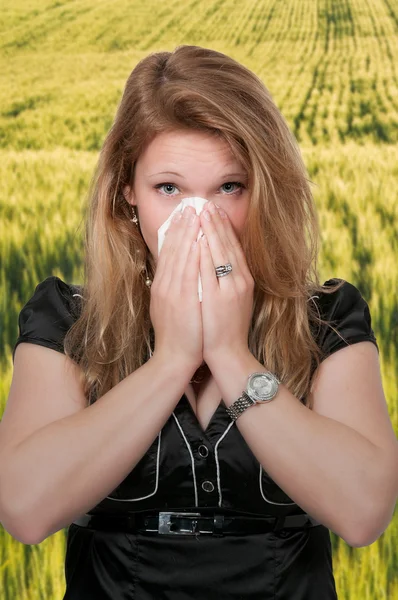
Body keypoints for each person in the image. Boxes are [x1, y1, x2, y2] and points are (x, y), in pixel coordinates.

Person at [1, 44, 397, 600]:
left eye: (229, 187)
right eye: (170, 188)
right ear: (126, 196)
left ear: (263, 191)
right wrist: (173, 360)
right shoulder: (67, 319)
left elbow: (363, 515)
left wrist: (233, 356)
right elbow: (24, 509)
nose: (201, 218)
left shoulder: (327, 318)